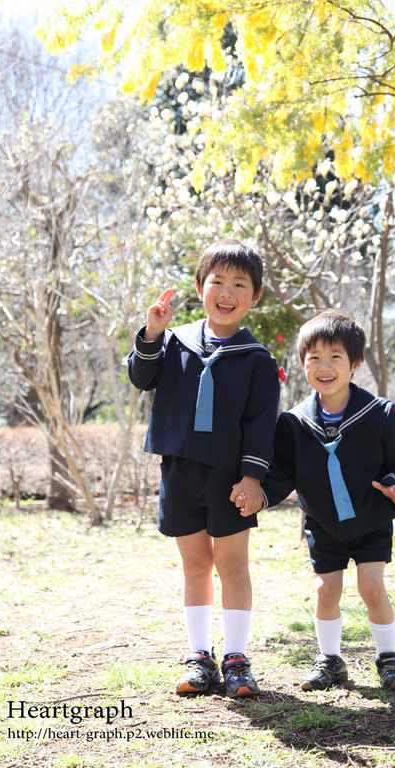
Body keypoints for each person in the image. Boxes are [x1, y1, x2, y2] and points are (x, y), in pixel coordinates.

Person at [232, 309, 395, 692]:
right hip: (322, 522)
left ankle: (388, 657)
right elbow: (282, 472)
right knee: (326, 590)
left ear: (354, 364)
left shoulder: (379, 414)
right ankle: (330, 660)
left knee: (371, 587)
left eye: (335, 356)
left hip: (370, 518)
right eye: (313, 357)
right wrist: (261, 496)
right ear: (302, 363)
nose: (324, 366)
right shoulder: (295, 422)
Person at [128, 239, 279, 698]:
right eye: (218, 282)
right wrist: (151, 334)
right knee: (195, 564)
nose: (227, 292)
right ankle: (200, 657)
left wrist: (252, 478)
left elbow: (260, 424)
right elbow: (141, 378)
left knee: (232, 564)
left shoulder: (257, 360)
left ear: (254, 297)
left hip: (231, 478)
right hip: (179, 470)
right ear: (200, 287)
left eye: (240, 284)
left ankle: (235, 658)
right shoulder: (175, 342)